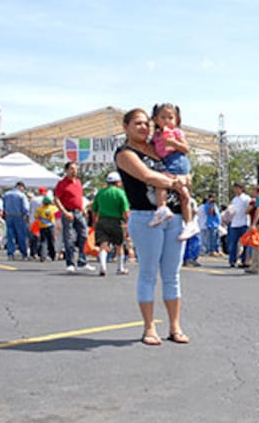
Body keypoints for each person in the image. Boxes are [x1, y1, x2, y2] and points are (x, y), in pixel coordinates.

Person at [115, 108, 189, 346]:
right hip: (146, 217)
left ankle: (175, 327)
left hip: (175, 217)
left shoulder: (159, 147)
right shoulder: (125, 153)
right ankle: (149, 327)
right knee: (148, 274)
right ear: (125, 126)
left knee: (172, 275)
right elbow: (148, 177)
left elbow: (185, 169)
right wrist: (178, 182)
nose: (144, 127)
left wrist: (184, 179)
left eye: (147, 123)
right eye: (137, 123)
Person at [149, 103, 200, 241]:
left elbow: (186, 148)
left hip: (176, 161)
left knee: (161, 183)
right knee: (182, 193)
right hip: (166, 161)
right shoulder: (156, 135)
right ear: (155, 119)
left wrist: (173, 142)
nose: (167, 121)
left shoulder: (176, 132)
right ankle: (188, 222)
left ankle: (163, 209)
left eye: (170, 117)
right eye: (163, 117)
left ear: (177, 120)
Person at [55, 161, 96, 273]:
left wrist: (83, 208)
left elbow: (78, 197)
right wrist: (64, 212)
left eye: (76, 169)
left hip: (79, 212)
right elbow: (57, 199)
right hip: (68, 212)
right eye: (72, 169)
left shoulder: (78, 182)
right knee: (69, 238)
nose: (74, 171)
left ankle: (82, 261)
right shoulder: (62, 183)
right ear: (66, 170)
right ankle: (70, 263)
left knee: (84, 235)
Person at [91, 172, 130, 276]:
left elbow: (94, 209)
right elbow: (125, 211)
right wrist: (128, 222)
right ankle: (120, 268)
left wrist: (94, 221)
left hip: (102, 221)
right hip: (117, 222)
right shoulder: (120, 193)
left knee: (103, 245)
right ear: (118, 182)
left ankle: (103, 266)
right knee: (119, 245)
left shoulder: (100, 193)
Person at [2, 181, 30, 260]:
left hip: (9, 216)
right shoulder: (21, 195)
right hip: (19, 216)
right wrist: (27, 215)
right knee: (21, 235)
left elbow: (3, 206)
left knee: (10, 235)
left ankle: (10, 253)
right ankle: (24, 253)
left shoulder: (6, 194)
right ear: (20, 187)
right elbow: (25, 208)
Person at [227, 182, 251, 268]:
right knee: (233, 243)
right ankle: (232, 260)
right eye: (235, 188)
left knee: (245, 243)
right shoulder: (234, 199)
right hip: (234, 223)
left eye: (237, 188)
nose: (236, 190)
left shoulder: (246, 198)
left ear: (241, 188)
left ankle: (244, 260)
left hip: (244, 223)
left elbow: (250, 208)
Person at [35, 196, 58, 262]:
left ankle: (43, 256)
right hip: (51, 226)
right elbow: (57, 214)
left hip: (42, 227)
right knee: (51, 241)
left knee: (43, 242)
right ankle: (52, 255)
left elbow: (36, 216)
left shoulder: (39, 209)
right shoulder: (53, 208)